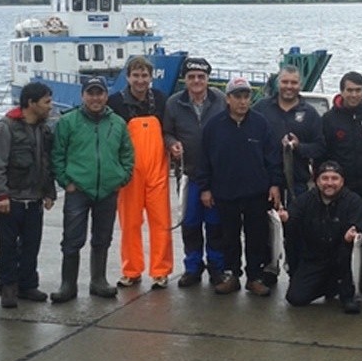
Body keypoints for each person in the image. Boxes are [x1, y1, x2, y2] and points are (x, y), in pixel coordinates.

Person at [50, 76, 134, 302]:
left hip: (108, 190)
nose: (95, 98)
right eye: (91, 93)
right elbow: (57, 154)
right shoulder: (68, 122)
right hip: (78, 190)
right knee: (72, 239)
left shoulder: (117, 122)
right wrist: (65, 181)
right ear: (83, 96)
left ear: (106, 96)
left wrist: (122, 177)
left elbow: (127, 154)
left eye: (99, 93)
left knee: (102, 238)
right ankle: (68, 284)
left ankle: (99, 280)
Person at [196, 76, 282, 297]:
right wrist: (205, 187)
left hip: (256, 192)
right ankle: (232, 275)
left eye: (246, 97)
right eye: (238, 97)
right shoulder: (213, 127)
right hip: (225, 192)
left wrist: (274, 184)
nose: (243, 102)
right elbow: (203, 159)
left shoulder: (261, 123)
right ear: (228, 99)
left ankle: (254, 277)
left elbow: (273, 156)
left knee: (257, 237)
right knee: (229, 236)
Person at [253, 64, 325, 285]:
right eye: (285, 82)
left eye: (293, 82)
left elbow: (320, 147)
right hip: (266, 182)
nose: (289, 86)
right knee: (264, 230)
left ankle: (296, 270)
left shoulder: (310, 113)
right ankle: (268, 270)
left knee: (297, 228)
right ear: (277, 82)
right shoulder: (262, 108)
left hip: (298, 183)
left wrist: (299, 147)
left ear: (299, 85)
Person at [0, 82, 57, 308]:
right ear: (31, 103)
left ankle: (27, 285)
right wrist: (0, 195)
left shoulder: (43, 129)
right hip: (11, 200)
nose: (50, 106)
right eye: (46, 101)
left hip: (34, 198)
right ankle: (7, 286)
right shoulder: (5, 128)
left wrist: (48, 192)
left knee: (31, 245)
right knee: (6, 247)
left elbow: (46, 163)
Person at [107, 57, 173, 289]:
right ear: (128, 77)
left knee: (161, 221)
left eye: (144, 75)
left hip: (157, 170)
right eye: (135, 75)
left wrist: (173, 145)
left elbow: (168, 131)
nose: (140, 80)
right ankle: (131, 271)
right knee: (130, 223)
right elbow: (110, 138)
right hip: (129, 173)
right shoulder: (115, 102)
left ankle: (161, 271)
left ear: (150, 77)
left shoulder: (162, 100)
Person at [162, 58, 227, 288]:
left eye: (201, 77)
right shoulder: (173, 103)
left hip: (218, 175)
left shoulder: (220, 99)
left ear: (208, 79)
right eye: (191, 77)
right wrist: (172, 144)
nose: (197, 81)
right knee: (190, 223)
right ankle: (192, 267)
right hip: (189, 175)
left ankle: (217, 268)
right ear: (185, 80)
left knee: (215, 224)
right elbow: (166, 132)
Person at [322, 71, 362, 291]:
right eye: (349, 90)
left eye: (358, 90)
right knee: (338, 230)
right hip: (340, 187)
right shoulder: (329, 119)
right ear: (341, 91)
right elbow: (323, 154)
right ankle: (338, 272)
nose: (353, 94)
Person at [281, 161, 362, 314]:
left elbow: (358, 228)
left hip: (343, 259)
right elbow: (292, 222)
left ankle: (348, 292)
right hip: (315, 258)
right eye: (325, 178)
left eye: (335, 178)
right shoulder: (305, 200)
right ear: (317, 181)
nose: (329, 183)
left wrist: (350, 236)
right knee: (295, 298)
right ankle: (329, 285)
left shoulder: (353, 201)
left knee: (351, 307)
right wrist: (286, 219)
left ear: (342, 181)